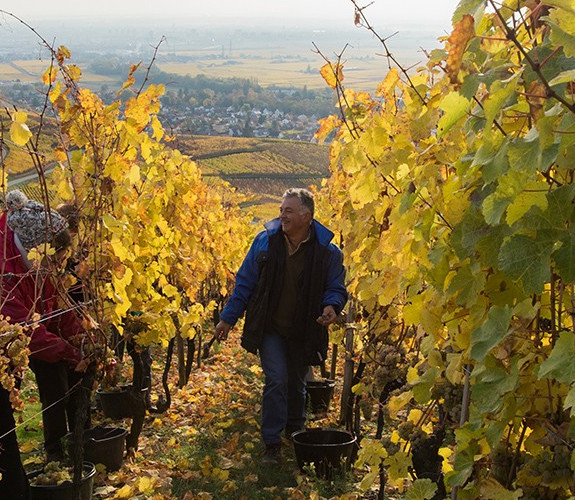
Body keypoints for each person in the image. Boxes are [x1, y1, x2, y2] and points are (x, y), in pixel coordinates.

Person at [215, 188, 347, 464]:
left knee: (297, 382)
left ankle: (295, 431)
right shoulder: (264, 242)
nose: (282, 215)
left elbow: (335, 286)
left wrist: (331, 307)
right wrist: (228, 318)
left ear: (306, 216)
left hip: (303, 326)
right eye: (281, 210)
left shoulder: (327, 252)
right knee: (277, 379)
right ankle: (272, 443)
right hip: (270, 326)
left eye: (288, 210)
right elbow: (245, 283)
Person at [0, 190, 88, 474]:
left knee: (66, 384)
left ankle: (70, 443)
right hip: (12, 343)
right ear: (35, 250)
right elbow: (26, 331)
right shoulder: (5, 272)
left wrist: (80, 339)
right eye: (55, 260)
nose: (59, 267)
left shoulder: (38, 265)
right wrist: (70, 351)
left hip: (29, 336)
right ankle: (50, 453)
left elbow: (56, 309)